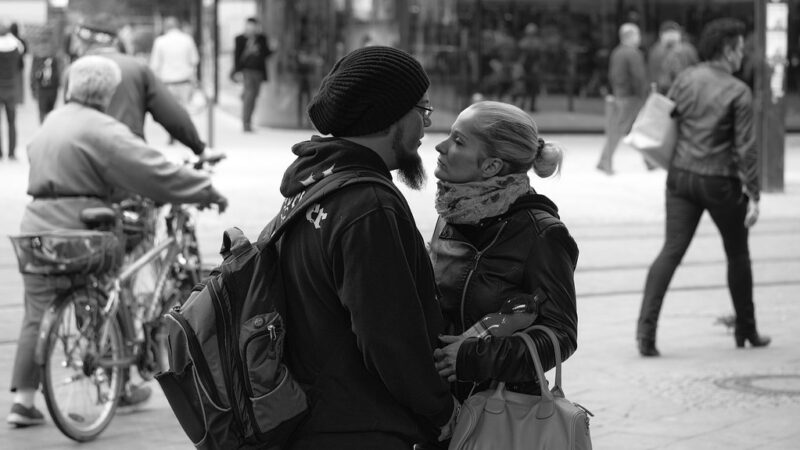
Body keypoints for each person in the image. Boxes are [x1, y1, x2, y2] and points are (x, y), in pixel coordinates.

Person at [6, 55, 227, 427]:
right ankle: (117, 379)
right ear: (107, 92)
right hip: (83, 230)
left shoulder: (52, 121)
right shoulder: (104, 129)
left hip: (36, 228)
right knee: (110, 289)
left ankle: (23, 403)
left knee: (36, 312)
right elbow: (150, 171)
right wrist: (204, 190)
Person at [262, 46, 456, 449]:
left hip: (316, 421)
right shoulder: (369, 205)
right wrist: (443, 412)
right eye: (422, 112)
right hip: (360, 428)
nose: (425, 128)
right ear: (391, 115)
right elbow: (388, 336)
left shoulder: (314, 186)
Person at [636, 18, 769, 357]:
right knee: (737, 253)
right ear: (728, 50)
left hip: (680, 177)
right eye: (740, 48)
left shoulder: (686, 78)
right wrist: (753, 192)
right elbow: (745, 148)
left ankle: (645, 334)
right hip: (719, 181)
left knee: (670, 251)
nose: (742, 54)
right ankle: (746, 329)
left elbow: (669, 119)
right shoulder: (738, 90)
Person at [429, 101, 579, 402]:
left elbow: (561, 335)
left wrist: (476, 357)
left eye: (458, 141)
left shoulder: (542, 234)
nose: (441, 147)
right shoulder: (452, 213)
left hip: (501, 414)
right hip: (439, 407)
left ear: (491, 166)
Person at [68, 15, 208, 156]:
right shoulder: (136, 68)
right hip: (130, 154)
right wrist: (198, 148)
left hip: (86, 157)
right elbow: (172, 113)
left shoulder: (74, 71)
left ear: (84, 42)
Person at [597, 23, 648, 175]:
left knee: (630, 129)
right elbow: (638, 77)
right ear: (631, 36)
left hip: (620, 94)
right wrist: (643, 95)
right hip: (631, 96)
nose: (639, 38)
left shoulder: (617, 52)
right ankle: (605, 161)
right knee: (623, 129)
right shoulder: (633, 53)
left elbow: (612, 74)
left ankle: (649, 161)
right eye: (637, 35)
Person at [149, 16, 199, 119]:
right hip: (185, 82)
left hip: (167, 83)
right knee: (185, 113)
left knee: (170, 114)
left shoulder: (160, 41)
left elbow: (154, 65)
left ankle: (173, 134)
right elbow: (194, 60)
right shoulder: (187, 39)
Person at [231, 17, 272, 132]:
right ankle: (246, 124)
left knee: (254, 96)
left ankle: (248, 120)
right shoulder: (240, 39)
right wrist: (237, 71)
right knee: (250, 96)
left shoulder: (261, 39)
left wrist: (273, 49)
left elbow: (265, 54)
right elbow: (237, 56)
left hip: (258, 72)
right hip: (247, 71)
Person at [648, 21, 699, 94]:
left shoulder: (688, 49)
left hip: (683, 89)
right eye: (668, 33)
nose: (671, 36)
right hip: (667, 91)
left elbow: (695, 68)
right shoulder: (656, 51)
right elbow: (652, 73)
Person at [0, 19, 23, 160]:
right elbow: (20, 66)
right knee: (12, 122)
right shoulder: (16, 46)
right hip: (11, 88)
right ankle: (11, 152)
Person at [30, 30, 61, 123]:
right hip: (46, 86)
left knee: (44, 112)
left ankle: (45, 130)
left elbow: (33, 72)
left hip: (48, 86)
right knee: (47, 112)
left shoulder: (55, 53)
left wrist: (32, 86)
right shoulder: (53, 52)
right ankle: (46, 131)